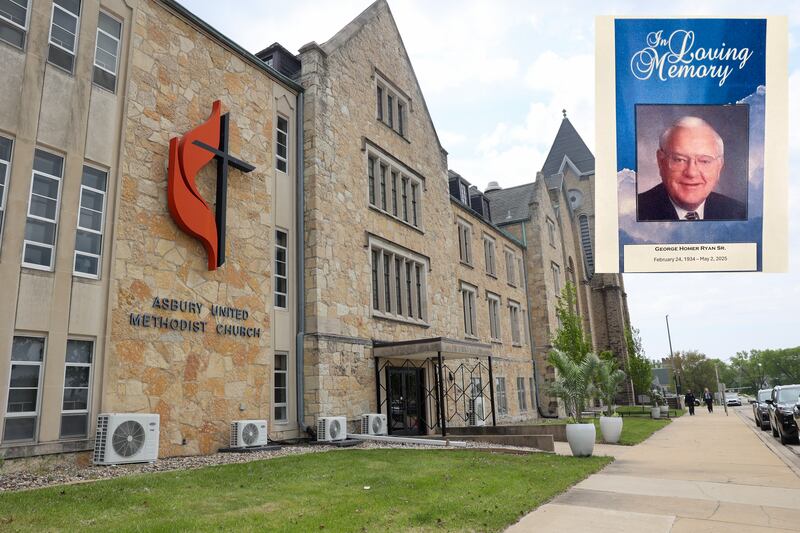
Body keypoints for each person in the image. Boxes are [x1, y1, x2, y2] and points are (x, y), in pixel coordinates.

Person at [637, 116, 746, 221]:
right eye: (679, 160)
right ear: (661, 162)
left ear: (719, 166)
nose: (691, 173)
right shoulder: (635, 210)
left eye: (704, 161)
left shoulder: (738, 212)